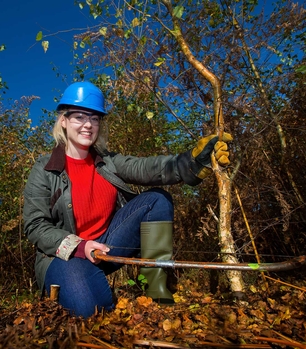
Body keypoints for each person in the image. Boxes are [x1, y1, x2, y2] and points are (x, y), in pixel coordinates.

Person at [23, 81, 232, 318]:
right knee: (91, 311)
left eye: (95, 118)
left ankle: (156, 291)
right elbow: (35, 226)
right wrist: (79, 246)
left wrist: (190, 163)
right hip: (65, 256)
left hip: (107, 247)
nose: (88, 125)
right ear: (63, 120)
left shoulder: (107, 162)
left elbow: (146, 168)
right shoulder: (45, 169)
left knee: (156, 200)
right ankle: (85, 285)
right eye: (80, 117)